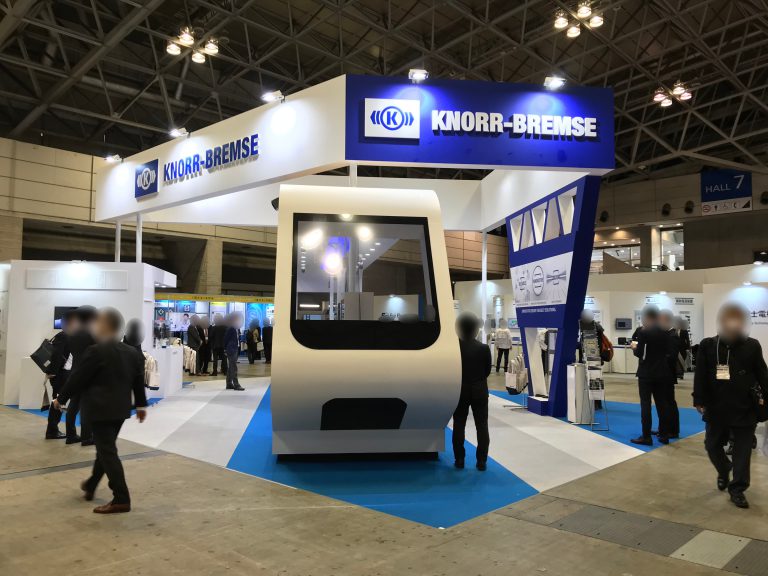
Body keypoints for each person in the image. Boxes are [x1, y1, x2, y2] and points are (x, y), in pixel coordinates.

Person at [54, 307, 148, 514]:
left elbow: (77, 379)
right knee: (105, 449)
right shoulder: (131, 352)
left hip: (99, 409)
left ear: (105, 326)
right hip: (121, 410)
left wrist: (60, 398)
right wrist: (141, 405)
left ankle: (121, 498)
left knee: (107, 452)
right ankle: (91, 485)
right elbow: (138, 381)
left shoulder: (95, 351)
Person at [693, 302, 768, 509]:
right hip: (716, 408)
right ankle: (724, 468)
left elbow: (763, 375)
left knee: (742, 452)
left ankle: (738, 489)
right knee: (712, 445)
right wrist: (698, 399)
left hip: (745, 409)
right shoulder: (708, 345)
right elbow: (700, 375)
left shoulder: (752, 346)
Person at [631, 305, 676, 446]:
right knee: (662, 404)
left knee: (645, 405)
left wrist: (634, 348)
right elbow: (669, 353)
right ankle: (664, 434)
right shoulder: (665, 332)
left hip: (646, 373)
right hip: (662, 373)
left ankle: (646, 436)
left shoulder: (644, 332)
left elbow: (640, 353)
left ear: (648, 317)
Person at [452, 312, 492, 471]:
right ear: (475, 329)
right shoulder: (484, 348)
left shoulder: (454, 349)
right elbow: (487, 371)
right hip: (479, 390)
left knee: (459, 424)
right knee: (482, 425)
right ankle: (481, 461)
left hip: (460, 390)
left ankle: (459, 459)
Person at [65, 305, 98, 445]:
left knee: (73, 406)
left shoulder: (72, 335)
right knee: (87, 407)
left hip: (75, 373)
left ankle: (70, 435)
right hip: (88, 375)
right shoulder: (93, 335)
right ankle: (87, 437)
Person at [45, 309, 77, 440]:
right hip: (61, 375)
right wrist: (52, 372)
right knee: (58, 402)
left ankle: (53, 430)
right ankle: (52, 431)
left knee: (59, 401)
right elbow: (57, 356)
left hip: (64, 374)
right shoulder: (64, 336)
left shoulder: (65, 335)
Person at [659, 309, 681, 439]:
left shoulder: (672, 336)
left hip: (667, 375)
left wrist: (658, 357)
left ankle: (672, 430)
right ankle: (664, 428)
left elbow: (671, 357)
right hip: (663, 374)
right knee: (665, 403)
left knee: (669, 403)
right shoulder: (667, 334)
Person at [224, 312, 245, 391]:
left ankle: (229, 383)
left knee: (231, 367)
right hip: (231, 350)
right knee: (234, 367)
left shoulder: (237, 329)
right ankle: (236, 385)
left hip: (235, 348)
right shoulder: (231, 328)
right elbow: (225, 339)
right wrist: (225, 349)